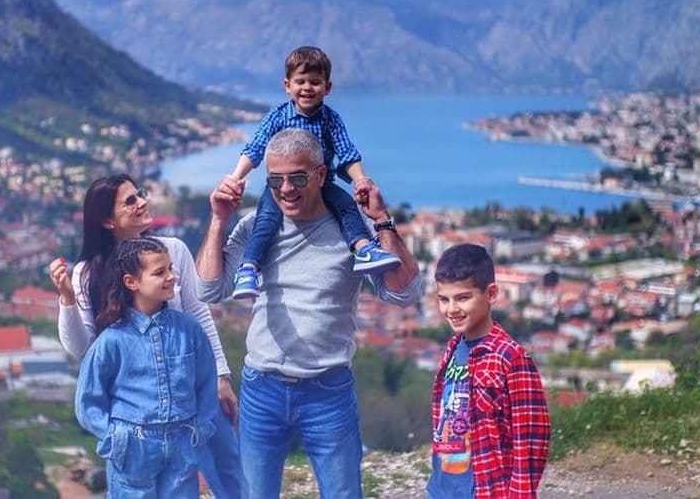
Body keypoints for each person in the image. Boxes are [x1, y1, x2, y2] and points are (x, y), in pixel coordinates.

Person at [195, 128, 422, 498]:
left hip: (328, 391)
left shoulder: (352, 229)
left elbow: (405, 293)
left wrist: (381, 220)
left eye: (298, 178)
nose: (286, 189)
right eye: (275, 180)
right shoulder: (257, 227)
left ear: (321, 175)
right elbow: (209, 289)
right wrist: (219, 219)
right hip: (262, 387)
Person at [48, 174, 241, 498]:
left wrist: (221, 376)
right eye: (130, 201)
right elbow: (82, 347)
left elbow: (198, 314)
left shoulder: (173, 250)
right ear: (107, 220)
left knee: (229, 468)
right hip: (139, 409)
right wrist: (67, 299)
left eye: (139, 194)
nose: (142, 202)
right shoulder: (88, 272)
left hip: (192, 387)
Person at [227, 45, 400, 300]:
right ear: (287, 86)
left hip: (321, 182)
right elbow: (256, 148)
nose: (307, 87)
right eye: (301, 81)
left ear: (327, 87)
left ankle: (363, 250)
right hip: (282, 184)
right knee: (266, 219)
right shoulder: (278, 116)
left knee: (346, 207)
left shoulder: (331, 119)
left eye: (315, 82)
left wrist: (361, 180)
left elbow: (346, 151)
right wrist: (235, 177)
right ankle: (248, 268)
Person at [75, 237, 218, 497]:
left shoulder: (190, 331)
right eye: (159, 272)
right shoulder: (111, 341)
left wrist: (202, 429)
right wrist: (114, 439)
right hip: (133, 449)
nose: (171, 277)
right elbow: (88, 401)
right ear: (132, 282)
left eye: (170, 268)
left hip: (183, 444)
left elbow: (207, 384)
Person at [427, 244, 551, 499]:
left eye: (463, 298)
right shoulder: (452, 349)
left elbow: (531, 439)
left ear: (491, 294)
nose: (452, 309)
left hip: (487, 490)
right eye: (444, 299)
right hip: (443, 489)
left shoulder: (511, 358)